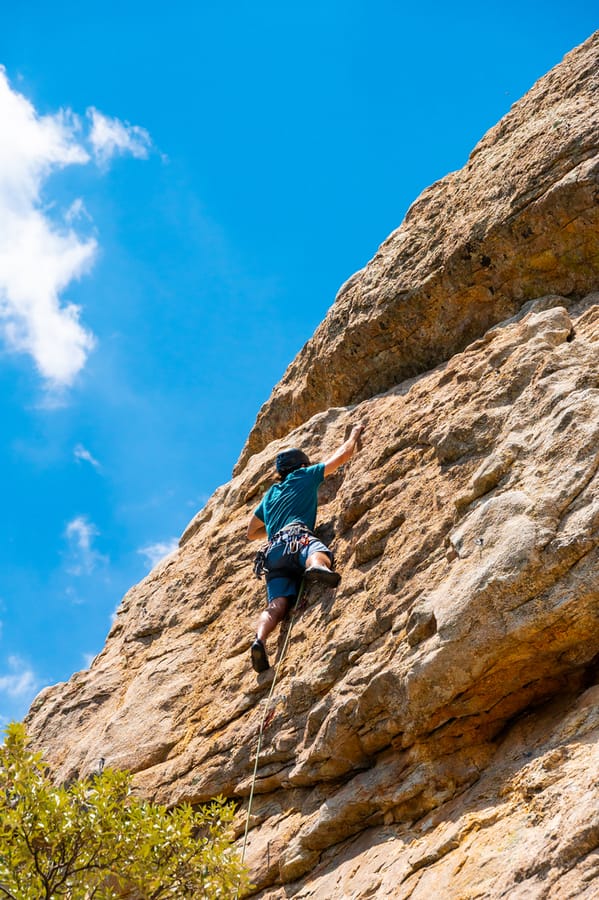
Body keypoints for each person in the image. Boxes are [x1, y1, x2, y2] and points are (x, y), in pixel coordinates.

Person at [247, 424, 365, 673]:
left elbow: (251, 533)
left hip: (272, 554)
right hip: (296, 538)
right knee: (314, 549)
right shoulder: (305, 476)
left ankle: (259, 639)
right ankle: (317, 567)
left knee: (277, 603)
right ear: (301, 465)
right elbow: (343, 456)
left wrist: (275, 526)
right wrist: (354, 434)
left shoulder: (270, 495)